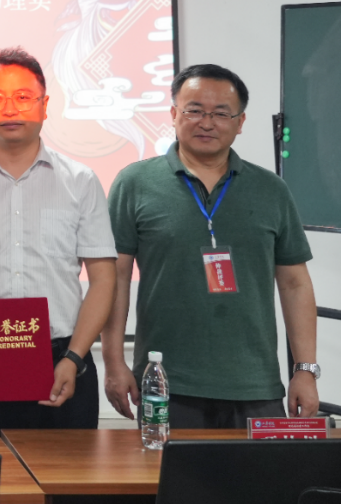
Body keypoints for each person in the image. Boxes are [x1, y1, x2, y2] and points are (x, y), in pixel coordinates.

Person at [103, 63, 319, 428]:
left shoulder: (271, 190)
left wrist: (305, 370)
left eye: (221, 113)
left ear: (240, 122)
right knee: (169, 470)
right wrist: (113, 362)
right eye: (194, 111)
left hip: (255, 384)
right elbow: (116, 279)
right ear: (174, 114)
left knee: (262, 470)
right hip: (166, 382)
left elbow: (295, 284)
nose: (207, 123)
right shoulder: (135, 183)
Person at [0, 47, 117, 437]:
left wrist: (74, 358)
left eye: (23, 97)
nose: (10, 109)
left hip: (63, 357)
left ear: (45, 105)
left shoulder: (80, 180)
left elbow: (103, 279)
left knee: (70, 472)